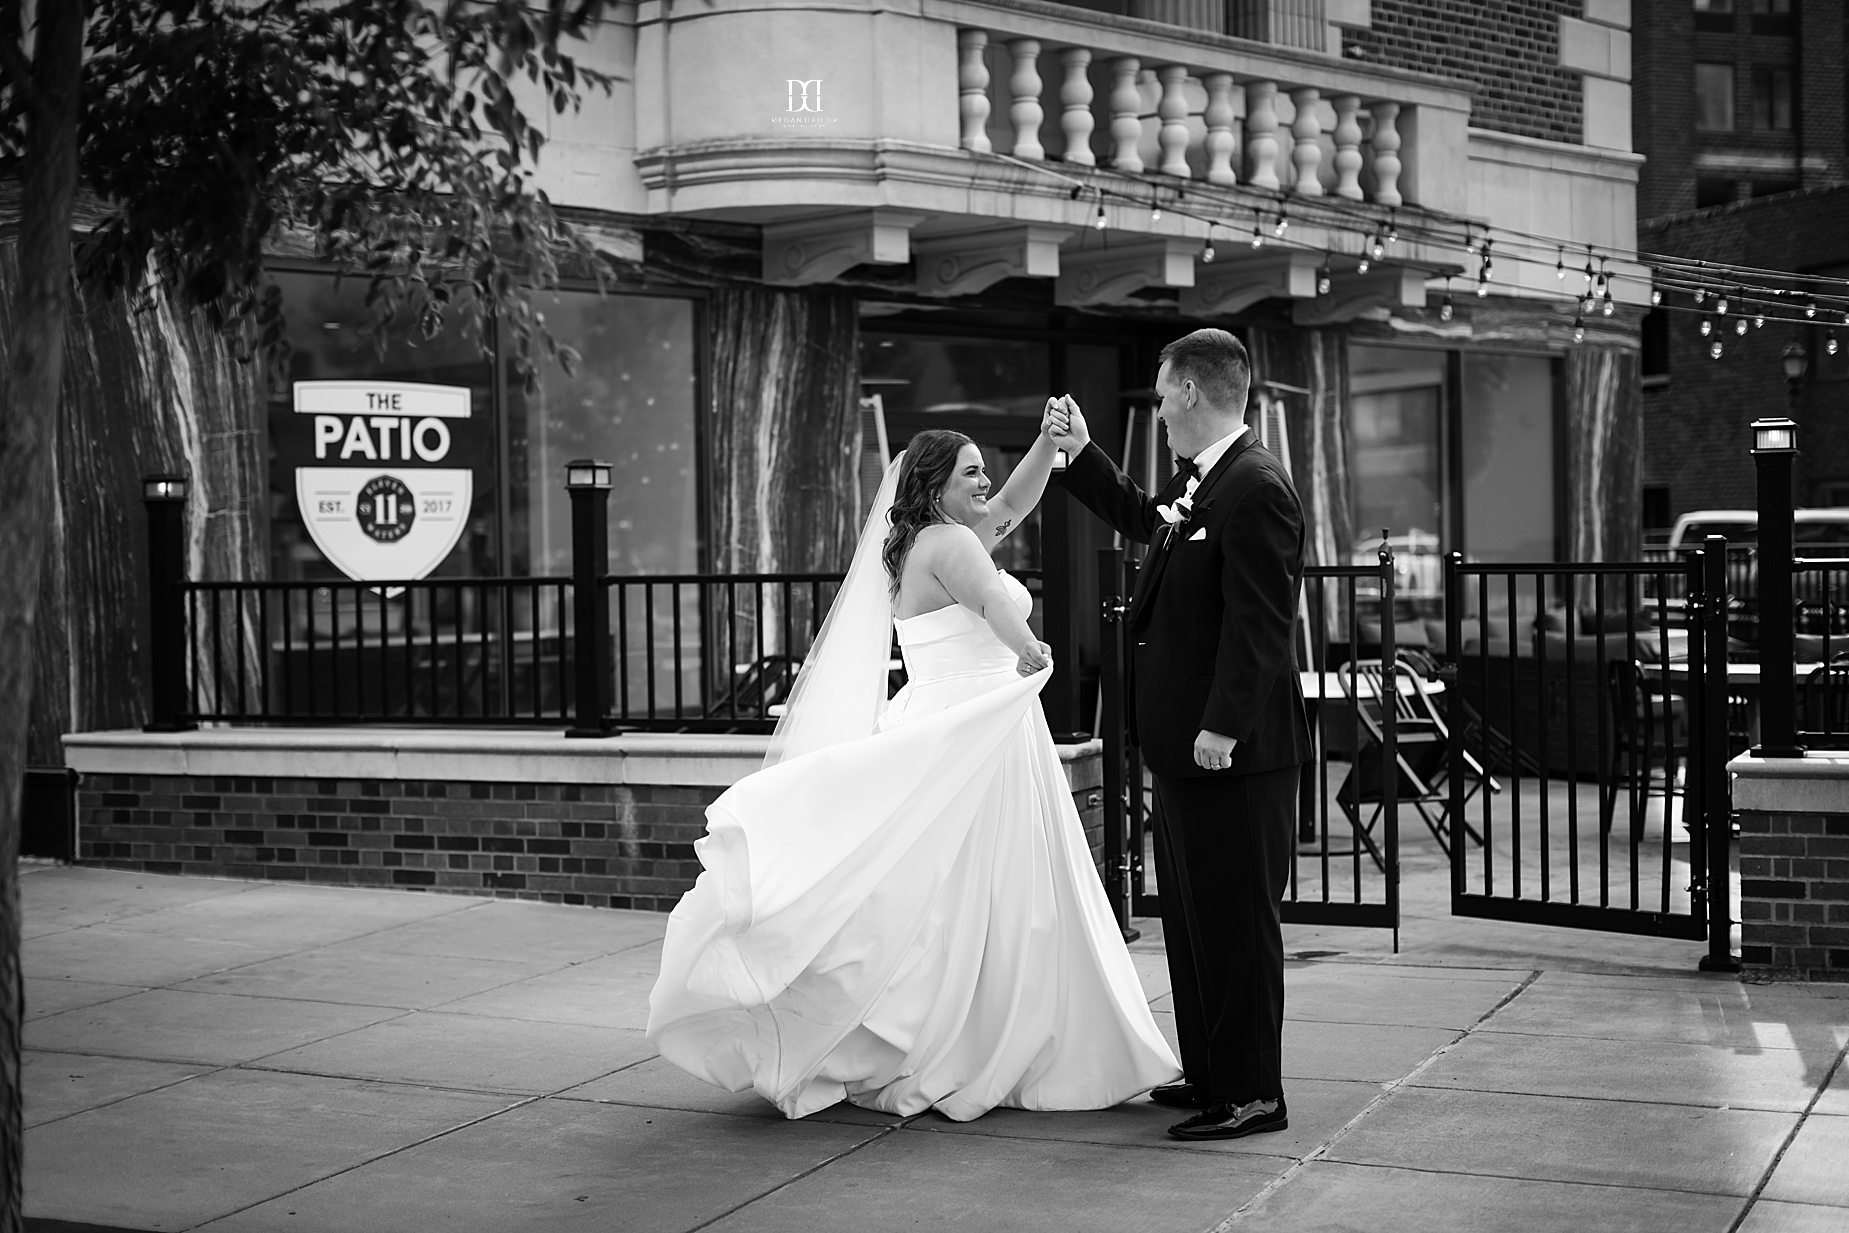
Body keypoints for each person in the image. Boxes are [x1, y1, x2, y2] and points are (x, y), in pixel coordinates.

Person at [647, 427, 1180, 1121]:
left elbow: (1016, 501)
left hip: (948, 717)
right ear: (934, 485)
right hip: (975, 730)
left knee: (939, 889)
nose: (984, 484)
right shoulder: (955, 545)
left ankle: (927, 1023)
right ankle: (969, 1034)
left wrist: (1052, 446)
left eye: (983, 470)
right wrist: (1029, 647)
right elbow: (992, 601)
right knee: (982, 888)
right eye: (969, 474)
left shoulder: (923, 539)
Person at [1046, 328, 1309, 1141]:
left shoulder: (1256, 485)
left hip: (1234, 755)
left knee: (1235, 924)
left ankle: (1253, 1093)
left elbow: (1261, 627)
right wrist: (1083, 453)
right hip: (1189, 755)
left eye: (1161, 397)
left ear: (1192, 392)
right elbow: (1143, 517)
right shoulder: (1204, 482)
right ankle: (1208, 1073)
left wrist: (1222, 727)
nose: (1158, 413)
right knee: (1194, 926)